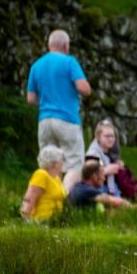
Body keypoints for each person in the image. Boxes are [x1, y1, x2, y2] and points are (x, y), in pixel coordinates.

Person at [26, 29, 91, 190]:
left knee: (48, 164)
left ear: (49, 45)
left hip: (45, 121)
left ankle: (44, 202)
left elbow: (31, 99)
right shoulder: (69, 62)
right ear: (66, 46)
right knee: (74, 164)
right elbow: (84, 89)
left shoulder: (36, 65)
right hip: (67, 119)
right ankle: (63, 201)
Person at [85, 119, 137, 200]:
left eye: (112, 136)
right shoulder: (93, 154)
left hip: (110, 186)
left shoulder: (109, 152)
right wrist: (106, 170)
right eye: (107, 136)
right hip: (99, 189)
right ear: (98, 137)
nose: (110, 139)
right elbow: (89, 176)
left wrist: (119, 165)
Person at [21, 145, 67, 221]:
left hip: (56, 221)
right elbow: (29, 199)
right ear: (54, 163)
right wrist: (27, 220)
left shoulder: (56, 179)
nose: (63, 163)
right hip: (41, 221)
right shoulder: (41, 174)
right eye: (61, 160)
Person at [68, 160, 133, 210]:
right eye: (102, 175)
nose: (104, 178)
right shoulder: (87, 191)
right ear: (94, 176)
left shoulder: (78, 186)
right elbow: (113, 201)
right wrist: (133, 207)